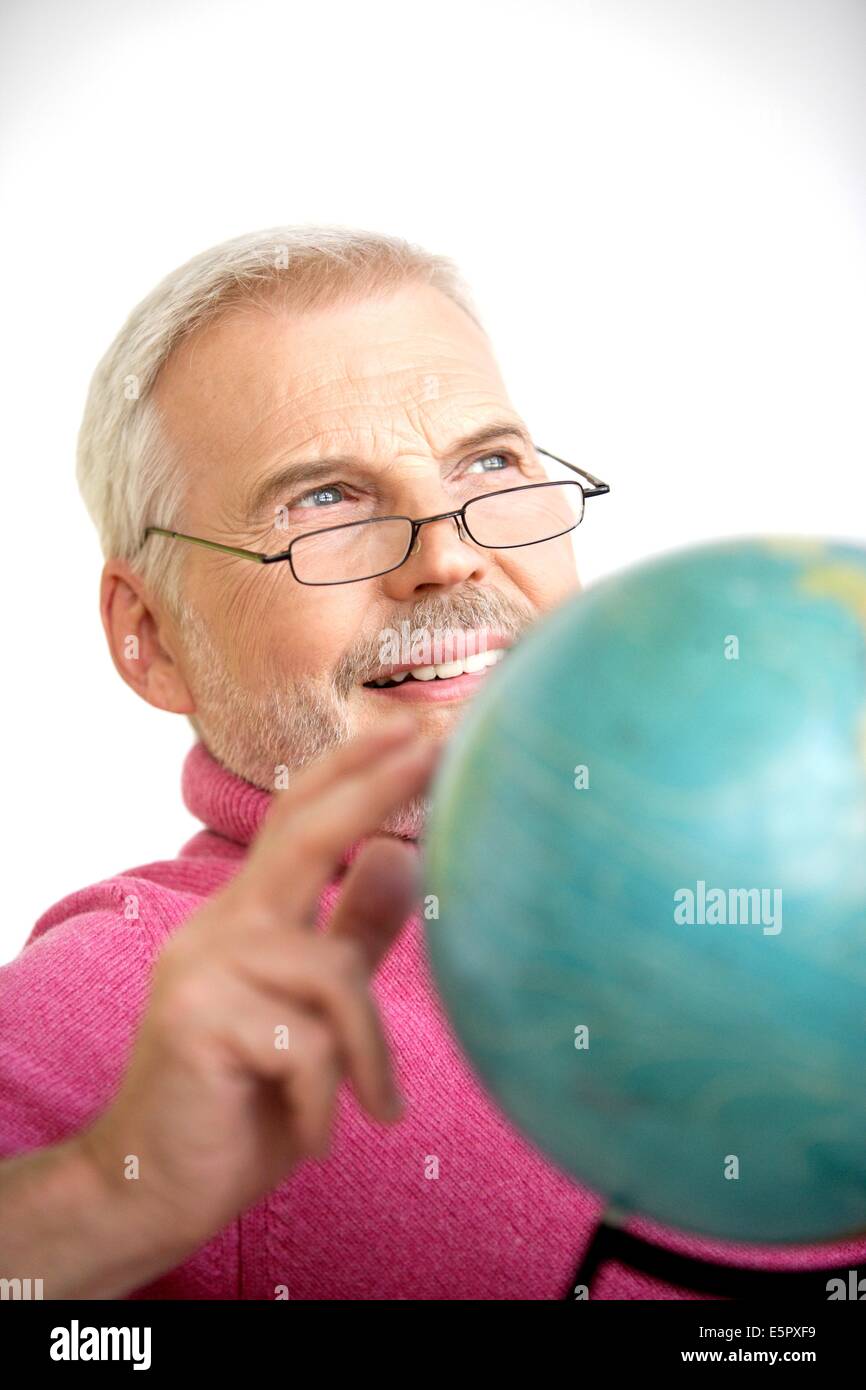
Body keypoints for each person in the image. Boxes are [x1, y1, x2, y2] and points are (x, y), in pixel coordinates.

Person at [2, 226, 863, 1299]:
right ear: (152, 635)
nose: (447, 551)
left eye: (488, 464)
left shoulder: (794, 855)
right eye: (322, 500)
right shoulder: (138, 1004)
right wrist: (103, 1196)